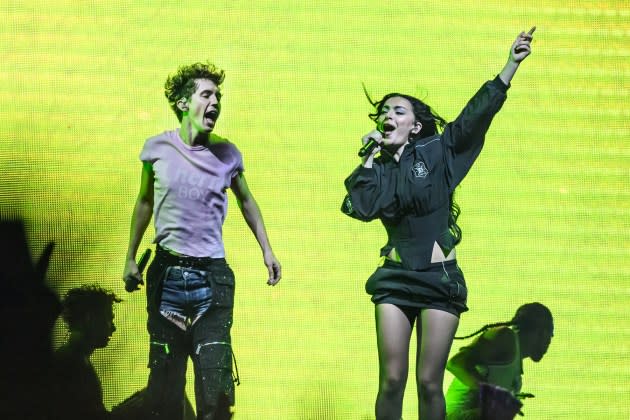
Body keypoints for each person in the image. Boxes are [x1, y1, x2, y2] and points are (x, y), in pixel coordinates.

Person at [341, 28, 535, 420]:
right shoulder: (376, 169)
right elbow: (360, 207)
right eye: (384, 111)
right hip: (395, 278)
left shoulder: (436, 152)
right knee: (391, 381)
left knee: (429, 382)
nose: (387, 116)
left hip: (439, 280)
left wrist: (508, 68)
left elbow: (471, 121)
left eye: (398, 111)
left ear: (414, 125)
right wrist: (366, 158)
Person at [123, 62, 281, 420]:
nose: (215, 102)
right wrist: (130, 257)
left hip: (212, 280)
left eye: (218, 96)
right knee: (165, 391)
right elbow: (144, 201)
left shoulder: (227, 153)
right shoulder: (157, 149)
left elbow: (246, 200)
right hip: (167, 279)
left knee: (215, 394)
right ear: (182, 102)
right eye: (206, 94)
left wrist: (267, 250)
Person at [445, 303, 554, 420]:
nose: (548, 342)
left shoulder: (516, 375)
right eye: (549, 334)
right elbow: (456, 364)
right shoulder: (506, 337)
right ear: (540, 332)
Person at [52, 284, 121, 420]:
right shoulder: (73, 364)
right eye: (109, 319)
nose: (113, 328)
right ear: (89, 318)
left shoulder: (71, 359)